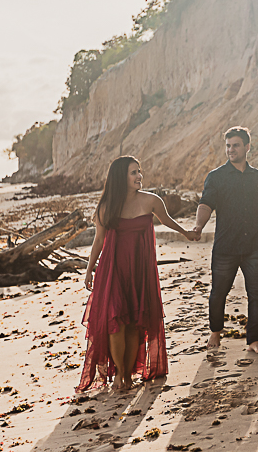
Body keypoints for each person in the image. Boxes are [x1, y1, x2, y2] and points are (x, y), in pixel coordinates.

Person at [77, 155, 195, 392]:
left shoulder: (151, 200)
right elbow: (98, 240)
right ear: (121, 177)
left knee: (133, 323)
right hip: (113, 270)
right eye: (133, 172)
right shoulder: (106, 206)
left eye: (139, 172)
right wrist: (90, 270)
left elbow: (167, 221)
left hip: (140, 269)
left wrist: (187, 233)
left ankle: (128, 374)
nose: (139, 176)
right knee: (115, 321)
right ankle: (120, 373)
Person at [191, 127, 258, 355]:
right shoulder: (216, 177)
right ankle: (215, 332)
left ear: (247, 147)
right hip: (225, 247)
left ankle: (254, 340)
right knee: (219, 292)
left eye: (236, 145)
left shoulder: (257, 177)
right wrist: (198, 225)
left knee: (256, 294)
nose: (231, 150)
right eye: (228, 145)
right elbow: (205, 204)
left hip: (254, 247)